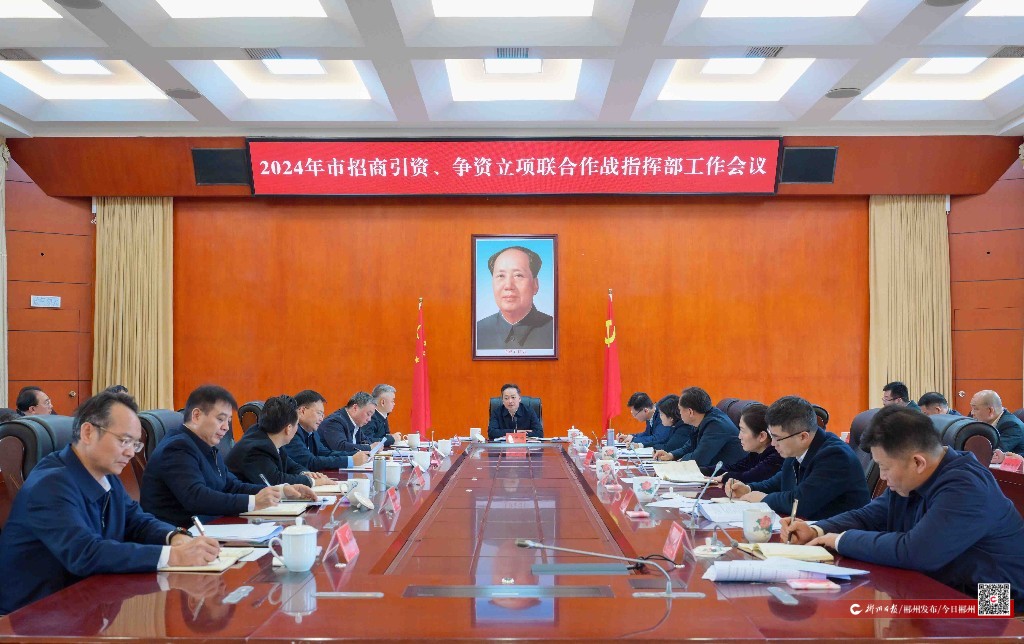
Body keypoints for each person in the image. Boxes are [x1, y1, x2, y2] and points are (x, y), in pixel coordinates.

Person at [0, 390, 221, 614]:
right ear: (88, 432)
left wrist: (175, 537)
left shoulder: (105, 475)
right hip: (35, 617)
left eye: (135, 444)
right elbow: (86, 553)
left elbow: (136, 521)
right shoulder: (49, 486)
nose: (130, 453)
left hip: (88, 604)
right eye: (124, 441)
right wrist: (174, 556)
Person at [782, 405, 1024, 606]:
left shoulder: (966, 487)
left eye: (885, 467)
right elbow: (870, 515)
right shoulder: (916, 478)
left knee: (867, 612)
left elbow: (917, 551)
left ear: (918, 462)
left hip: (996, 598)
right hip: (944, 583)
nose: (882, 476)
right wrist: (817, 530)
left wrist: (839, 540)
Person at [141, 384, 305, 527]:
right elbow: (196, 497)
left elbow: (232, 486)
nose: (226, 427)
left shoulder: (206, 446)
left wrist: (281, 491)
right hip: (182, 536)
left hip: (211, 528)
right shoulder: (177, 448)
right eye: (221, 419)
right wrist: (254, 502)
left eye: (229, 421)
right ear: (197, 416)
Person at [728, 395, 869, 520]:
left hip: (838, 534)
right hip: (809, 526)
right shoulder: (797, 448)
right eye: (772, 436)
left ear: (803, 437)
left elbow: (800, 502)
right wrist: (749, 488)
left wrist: (764, 498)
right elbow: (780, 480)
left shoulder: (835, 456)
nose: (773, 443)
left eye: (777, 438)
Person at [226, 395, 328, 489]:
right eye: (297, 424)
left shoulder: (270, 436)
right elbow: (275, 481)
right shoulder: (256, 449)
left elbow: (290, 465)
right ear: (288, 428)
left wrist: (304, 473)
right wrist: (312, 482)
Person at [476, 246, 554, 351]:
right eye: (501, 276)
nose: (508, 286)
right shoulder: (476, 332)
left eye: (518, 275)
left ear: (535, 284)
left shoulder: (556, 331)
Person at [654, 387, 744, 469]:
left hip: (732, 475)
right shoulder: (702, 419)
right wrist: (671, 455)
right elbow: (689, 446)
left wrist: (680, 461)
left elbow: (699, 459)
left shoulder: (716, 426)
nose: (679, 413)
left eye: (680, 409)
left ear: (690, 412)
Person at [283, 389, 370, 470]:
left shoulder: (312, 431)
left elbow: (325, 453)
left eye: (322, 415)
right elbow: (309, 462)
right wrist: (350, 461)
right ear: (302, 411)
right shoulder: (291, 432)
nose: (321, 419)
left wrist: (355, 455)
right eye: (319, 413)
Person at [715, 403, 784, 486]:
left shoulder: (777, 456)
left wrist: (725, 477)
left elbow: (749, 477)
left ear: (762, 436)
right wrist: (703, 471)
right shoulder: (755, 453)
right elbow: (735, 468)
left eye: (743, 431)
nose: (739, 436)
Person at [970, 389, 1024, 463]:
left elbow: (993, 453)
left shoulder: (1011, 425)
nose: (972, 413)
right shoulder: (986, 422)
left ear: (990, 410)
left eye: (975, 409)